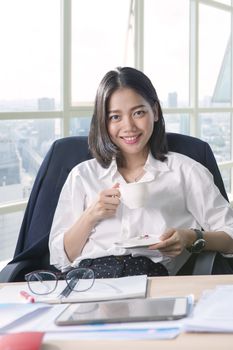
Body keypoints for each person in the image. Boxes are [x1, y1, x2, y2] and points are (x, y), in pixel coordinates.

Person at [49, 66, 233, 277]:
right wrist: (91, 215)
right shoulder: (83, 176)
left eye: (138, 113)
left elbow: (230, 235)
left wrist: (191, 238)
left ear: (154, 111)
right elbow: (61, 258)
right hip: (88, 282)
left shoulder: (185, 171)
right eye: (115, 117)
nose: (129, 126)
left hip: (151, 281)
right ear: (103, 122)